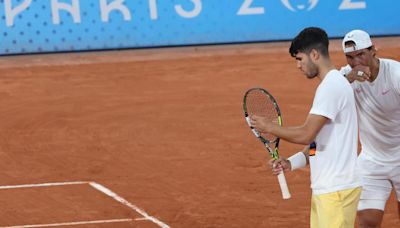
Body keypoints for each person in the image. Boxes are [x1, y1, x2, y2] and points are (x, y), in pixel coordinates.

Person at [250, 27, 361, 228]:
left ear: (315, 54)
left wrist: (269, 126)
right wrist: (292, 163)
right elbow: (317, 143)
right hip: (327, 190)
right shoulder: (331, 85)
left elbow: (306, 133)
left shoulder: (331, 87)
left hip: (336, 192)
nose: (298, 66)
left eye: (299, 59)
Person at [339, 29, 400, 228]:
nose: (356, 61)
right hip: (372, 161)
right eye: (350, 57)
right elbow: (329, 94)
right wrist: (349, 78)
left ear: (373, 50)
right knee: (367, 223)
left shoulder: (395, 74)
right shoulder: (345, 77)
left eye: (360, 54)